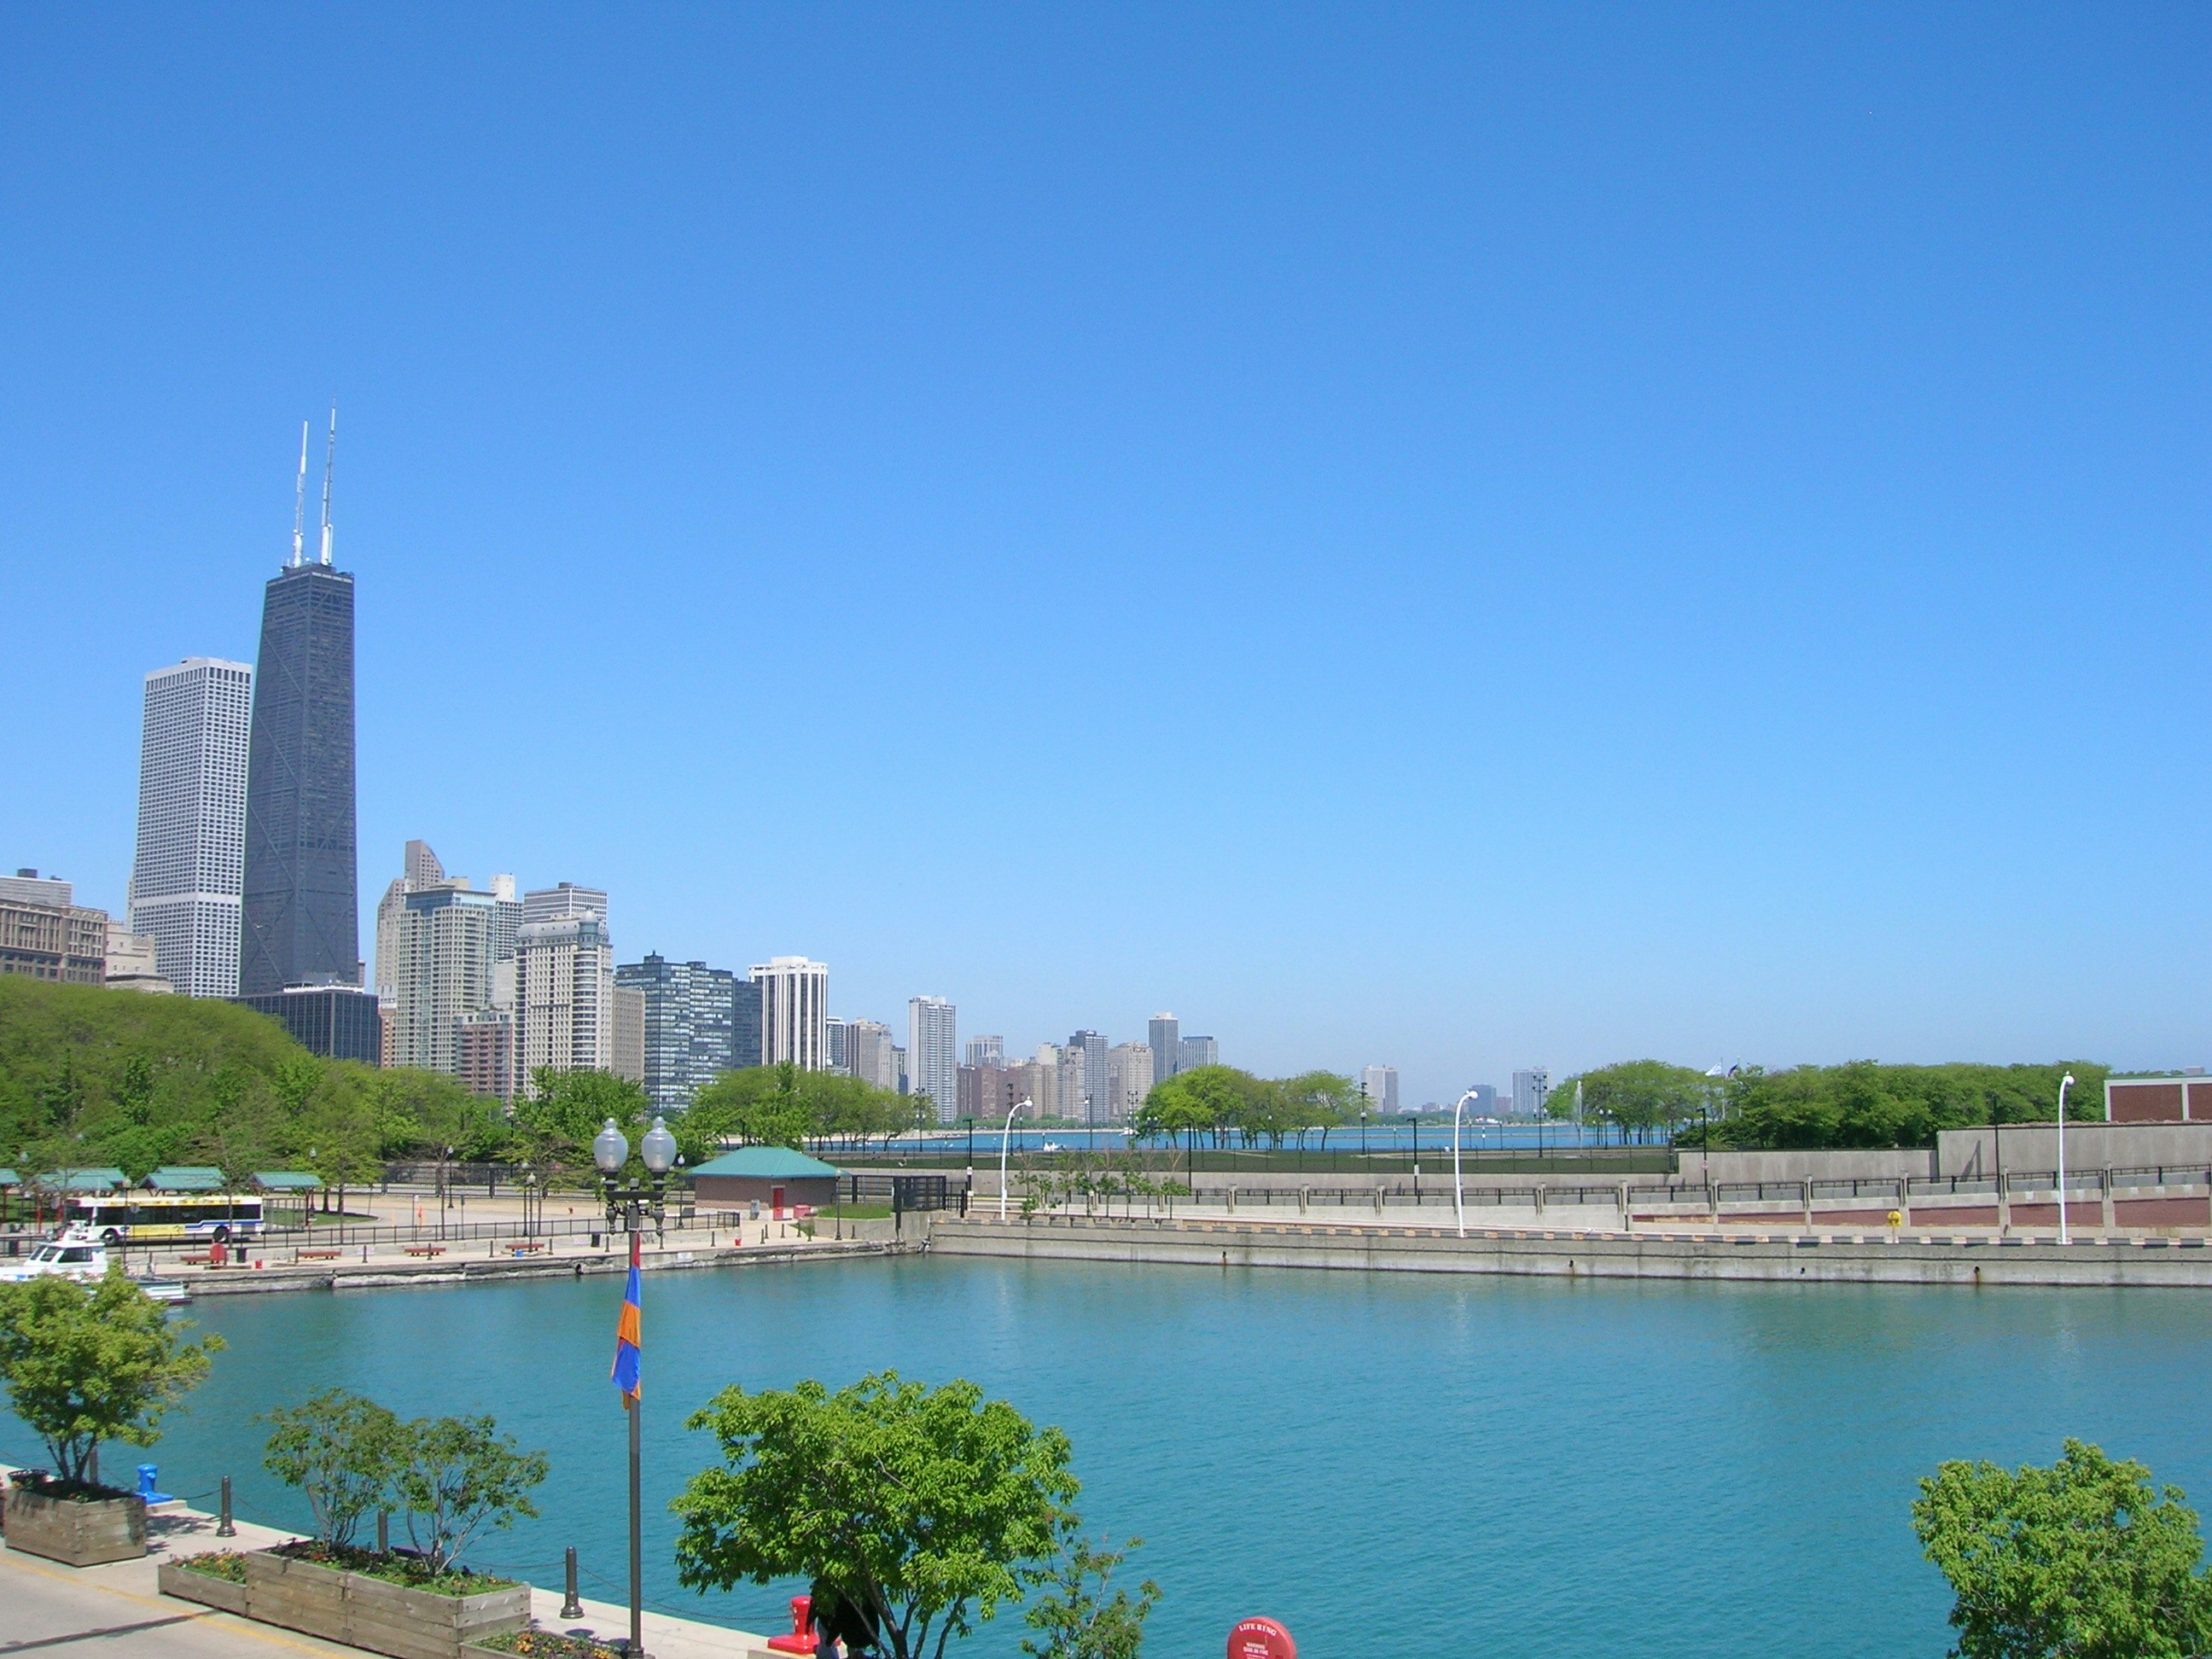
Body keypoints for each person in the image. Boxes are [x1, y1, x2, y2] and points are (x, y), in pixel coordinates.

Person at [807, 1577, 882, 1657]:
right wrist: (876, 1640)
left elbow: (839, 1621)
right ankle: (857, 1653)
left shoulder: (828, 1589)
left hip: (849, 1635)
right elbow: (874, 1618)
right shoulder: (866, 1596)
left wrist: (829, 1641)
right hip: (864, 1634)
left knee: (828, 1641)